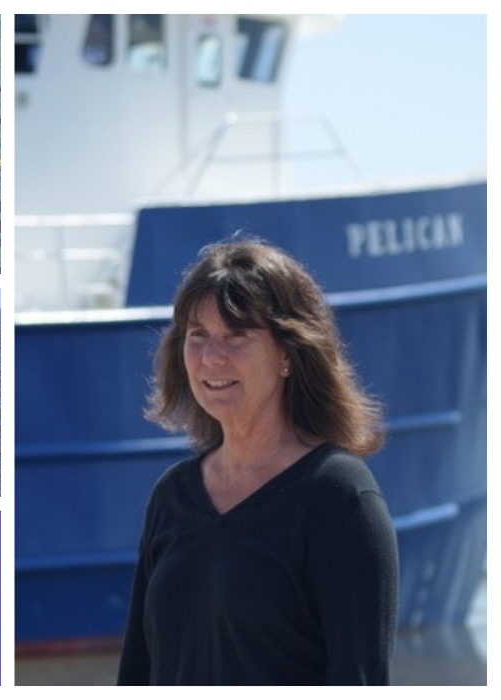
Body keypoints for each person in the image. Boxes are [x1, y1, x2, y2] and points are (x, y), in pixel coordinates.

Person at [117, 239, 398, 685]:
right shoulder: (172, 496)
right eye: (198, 335)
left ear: (288, 353)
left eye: (237, 335)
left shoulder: (340, 498)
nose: (212, 357)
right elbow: (137, 673)